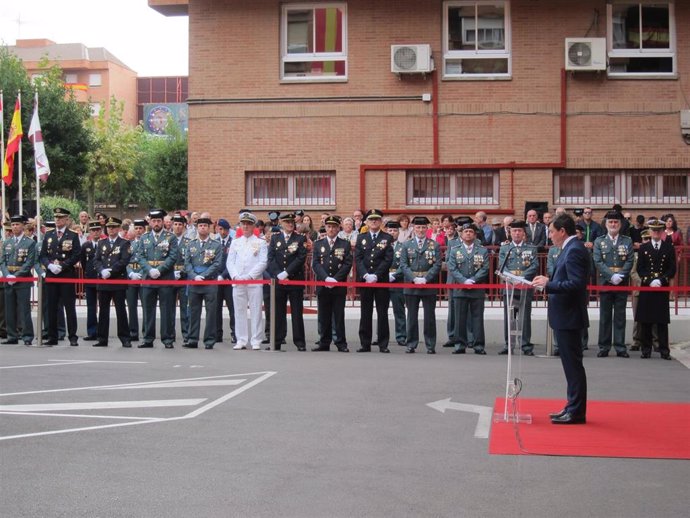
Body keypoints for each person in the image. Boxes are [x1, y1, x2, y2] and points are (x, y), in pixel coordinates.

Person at [533, 214, 590, 425]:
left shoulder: (574, 250)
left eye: (551, 232)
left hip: (569, 316)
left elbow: (575, 284)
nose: (550, 236)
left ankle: (576, 411)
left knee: (573, 366)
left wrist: (549, 284)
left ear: (562, 231)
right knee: (570, 365)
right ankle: (572, 406)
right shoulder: (569, 248)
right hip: (566, 315)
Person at [135, 209, 178, 349]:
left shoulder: (170, 237)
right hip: (148, 277)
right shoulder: (144, 237)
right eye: (154, 221)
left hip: (165, 277)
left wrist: (159, 270)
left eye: (159, 221)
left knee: (166, 310)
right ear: (150, 222)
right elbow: (140, 256)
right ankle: (148, 338)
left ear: (163, 222)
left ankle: (167, 339)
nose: (156, 223)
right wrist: (149, 270)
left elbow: (173, 257)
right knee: (148, 310)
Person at [593, 210, 634, 358]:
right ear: (606, 223)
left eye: (616, 222)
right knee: (605, 317)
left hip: (621, 283)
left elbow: (630, 260)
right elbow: (597, 261)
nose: (613, 224)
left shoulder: (627, 241)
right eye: (610, 222)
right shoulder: (599, 241)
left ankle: (620, 347)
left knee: (620, 316)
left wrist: (620, 276)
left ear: (620, 224)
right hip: (606, 282)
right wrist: (611, 276)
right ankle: (604, 347)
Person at [40, 207, 82, 346]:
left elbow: (77, 255)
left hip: (66, 275)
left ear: (67, 220)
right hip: (52, 275)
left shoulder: (73, 235)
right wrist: (50, 265)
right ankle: (52, 336)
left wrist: (63, 266)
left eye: (60, 218)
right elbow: (43, 255)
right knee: (51, 307)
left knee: (69, 307)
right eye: (56, 218)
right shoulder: (49, 234)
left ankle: (73, 336)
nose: (57, 220)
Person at [400, 216, 442, 354]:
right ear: (413, 228)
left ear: (427, 229)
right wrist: (414, 278)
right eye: (418, 227)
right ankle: (411, 344)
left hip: (428, 284)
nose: (420, 230)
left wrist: (426, 278)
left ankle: (430, 345)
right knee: (411, 316)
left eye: (423, 227)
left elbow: (437, 264)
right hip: (411, 285)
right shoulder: (406, 244)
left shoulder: (434, 245)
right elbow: (404, 265)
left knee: (429, 316)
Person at [636, 219, 676, 360]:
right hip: (647, 286)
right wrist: (649, 280)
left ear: (662, 232)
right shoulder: (643, 248)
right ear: (650, 231)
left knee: (662, 321)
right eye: (654, 230)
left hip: (661, 286)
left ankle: (664, 350)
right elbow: (640, 268)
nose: (656, 233)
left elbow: (672, 268)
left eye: (659, 230)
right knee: (646, 320)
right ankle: (646, 350)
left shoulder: (668, 247)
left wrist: (662, 280)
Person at [227, 212, 268, 350]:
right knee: (239, 311)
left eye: (248, 224)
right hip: (238, 281)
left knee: (256, 310)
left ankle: (256, 340)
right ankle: (241, 339)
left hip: (254, 282)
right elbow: (230, 262)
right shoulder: (235, 242)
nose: (245, 226)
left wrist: (250, 276)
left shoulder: (260, 242)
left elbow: (263, 262)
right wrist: (235, 276)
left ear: (253, 226)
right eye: (243, 224)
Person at [267, 212, 308, 351]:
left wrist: (287, 272)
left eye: (292, 222)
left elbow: (301, 258)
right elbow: (270, 258)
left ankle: (300, 342)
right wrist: (279, 274)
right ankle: (277, 341)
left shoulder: (300, 238)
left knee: (297, 313)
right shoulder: (275, 238)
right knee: (278, 312)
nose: (290, 224)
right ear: (281, 223)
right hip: (279, 281)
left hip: (294, 279)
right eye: (287, 222)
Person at [354, 209, 393, 353]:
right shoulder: (361, 237)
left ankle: (383, 344)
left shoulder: (387, 238)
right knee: (365, 312)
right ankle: (365, 343)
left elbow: (388, 259)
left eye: (377, 219)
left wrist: (376, 275)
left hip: (380, 280)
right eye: (371, 219)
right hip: (365, 280)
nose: (374, 221)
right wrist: (365, 275)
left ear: (381, 221)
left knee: (382, 312)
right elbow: (358, 259)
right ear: (366, 222)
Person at [311, 215, 352, 352]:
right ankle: (324, 342)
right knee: (323, 315)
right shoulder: (318, 244)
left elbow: (347, 264)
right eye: (329, 226)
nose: (331, 229)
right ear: (325, 228)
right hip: (323, 285)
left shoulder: (344, 243)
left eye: (334, 227)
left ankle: (341, 343)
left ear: (338, 228)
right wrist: (325, 278)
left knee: (339, 315)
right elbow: (315, 264)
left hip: (338, 285)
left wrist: (336, 279)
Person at [447, 223, 489, 355]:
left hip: (476, 288)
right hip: (460, 288)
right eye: (466, 232)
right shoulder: (455, 250)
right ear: (461, 234)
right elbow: (452, 268)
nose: (468, 234)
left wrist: (474, 280)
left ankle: (478, 345)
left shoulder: (482, 250)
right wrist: (464, 280)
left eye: (471, 231)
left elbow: (485, 268)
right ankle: (460, 345)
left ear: (475, 235)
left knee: (477, 318)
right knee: (459, 317)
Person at [497, 220, 538, 355]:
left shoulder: (531, 248)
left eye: (519, 231)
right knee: (509, 317)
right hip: (509, 286)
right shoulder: (505, 248)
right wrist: (513, 279)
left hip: (525, 286)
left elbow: (534, 265)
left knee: (525, 317)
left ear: (524, 233)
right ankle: (509, 344)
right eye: (514, 231)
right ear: (510, 233)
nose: (517, 233)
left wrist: (521, 278)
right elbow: (502, 266)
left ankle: (525, 345)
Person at [183, 217, 223, 349]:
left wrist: (203, 276)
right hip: (194, 282)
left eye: (205, 226)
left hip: (209, 282)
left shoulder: (216, 244)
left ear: (209, 228)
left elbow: (217, 264)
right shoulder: (191, 244)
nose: (203, 228)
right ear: (197, 228)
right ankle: (192, 339)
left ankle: (209, 340)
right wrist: (194, 276)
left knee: (211, 312)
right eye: (200, 226)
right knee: (194, 312)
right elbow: (187, 263)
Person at [93, 217, 132, 347]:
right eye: (109, 227)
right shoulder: (101, 243)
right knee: (103, 311)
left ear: (119, 228)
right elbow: (96, 260)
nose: (111, 229)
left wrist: (111, 270)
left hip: (117, 280)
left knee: (121, 311)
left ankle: (125, 338)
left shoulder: (124, 243)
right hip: (104, 280)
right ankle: (102, 338)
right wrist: (101, 270)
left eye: (114, 227)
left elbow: (124, 260)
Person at [0, 215, 36, 345]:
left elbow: (29, 263)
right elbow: (2, 261)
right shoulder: (7, 242)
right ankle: (12, 336)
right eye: (13, 225)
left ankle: (27, 336)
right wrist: (7, 275)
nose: (15, 227)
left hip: (22, 280)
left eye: (17, 225)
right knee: (9, 310)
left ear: (23, 226)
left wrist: (16, 276)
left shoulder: (30, 242)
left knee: (24, 310)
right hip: (8, 279)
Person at [384, 220, 407, 346]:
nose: (392, 233)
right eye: (390, 230)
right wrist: (384, 274)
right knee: (382, 310)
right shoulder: (381, 246)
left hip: (397, 281)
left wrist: (394, 275)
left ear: (399, 232)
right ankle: (381, 336)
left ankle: (401, 336)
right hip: (383, 280)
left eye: (395, 230)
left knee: (399, 310)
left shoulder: (403, 246)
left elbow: (404, 264)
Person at [171, 213, 191, 345]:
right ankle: (170, 335)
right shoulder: (167, 240)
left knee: (185, 308)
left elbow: (189, 261)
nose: (177, 227)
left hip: (183, 278)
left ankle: (186, 335)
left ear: (184, 227)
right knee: (169, 308)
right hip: (170, 277)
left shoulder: (188, 243)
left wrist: (181, 271)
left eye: (180, 225)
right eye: (175, 224)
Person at [215, 218, 236, 344]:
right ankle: (217, 334)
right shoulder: (214, 242)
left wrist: (223, 275)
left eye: (225, 230)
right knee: (216, 308)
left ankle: (234, 333)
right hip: (216, 279)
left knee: (232, 308)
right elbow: (211, 261)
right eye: (220, 229)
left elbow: (233, 262)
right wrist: (217, 275)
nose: (222, 232)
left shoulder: (233, 243)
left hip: (228, 279)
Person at [80, 221, 102, 341]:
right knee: (91, 307)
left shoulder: (105, 244)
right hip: (90, 279)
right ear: (90, 232)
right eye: (93, 230)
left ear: (101, 231)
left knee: (103, 307)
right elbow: (84, 262)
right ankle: (92, 332)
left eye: (97, 230)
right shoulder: (86, 245)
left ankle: (102, 331)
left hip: (103, 279)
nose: (95, 232)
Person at [126, 219, 147, 342]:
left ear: (145, 230)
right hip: (131, 276)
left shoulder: (148, 244)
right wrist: (131, 273)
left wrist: (141, 273)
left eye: (141, 229)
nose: (138, 231)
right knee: (131, 306)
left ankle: (146, 332)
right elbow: (125, 260)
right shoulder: (129, 244)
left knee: (146, 306)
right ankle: (133, 331)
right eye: (137, 229)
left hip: (143, 276)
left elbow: (150, 261)